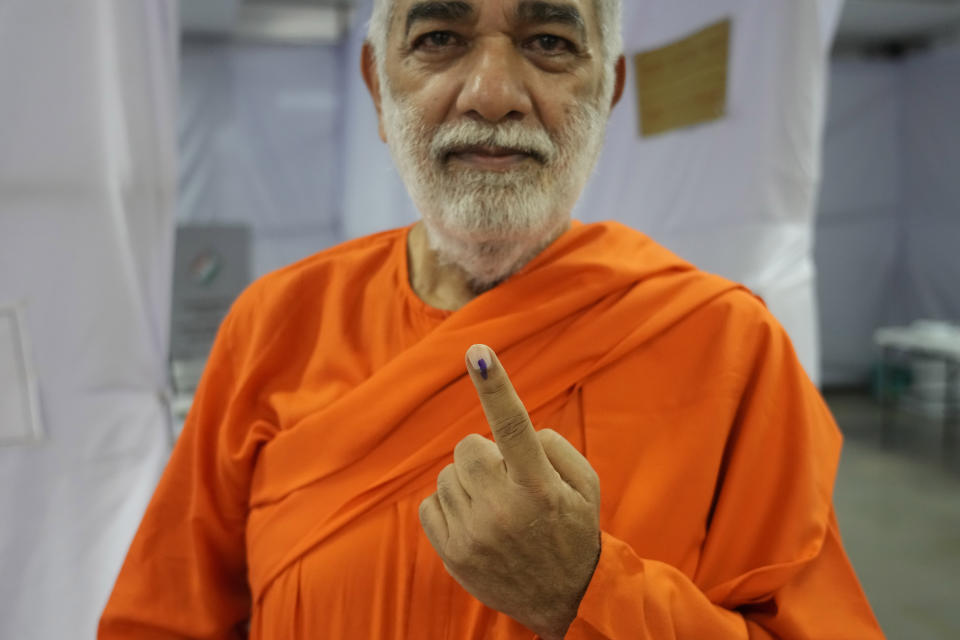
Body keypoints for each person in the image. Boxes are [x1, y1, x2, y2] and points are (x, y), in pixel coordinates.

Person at [100, 0, 885, 638]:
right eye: (440, 38)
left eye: (547, 41)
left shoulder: (725, 346)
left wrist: (584, 593)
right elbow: (160, 622)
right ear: (379, 86)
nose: (493, 93)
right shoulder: (276, 324)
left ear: (608, 91)